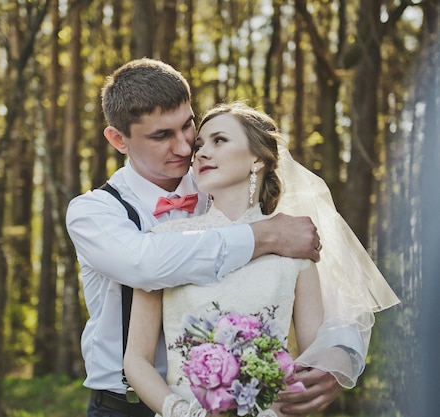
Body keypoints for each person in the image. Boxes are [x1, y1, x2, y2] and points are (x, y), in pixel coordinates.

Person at [66, 58, 334, 417]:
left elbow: (331, 289)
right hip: (125, 406)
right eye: (161, 136)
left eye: (187, 126)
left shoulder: (222, 178)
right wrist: (260, 236)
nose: (184, 148)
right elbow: (146, 263)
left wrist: (338, 358)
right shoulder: (94, 212)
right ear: (119, 139)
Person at [123, 102, 399, 417]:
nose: (200, 153)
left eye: (219, 140)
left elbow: (313, 361)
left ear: (257, 158)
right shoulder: (164, 241)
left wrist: (333, 363)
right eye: (199, 145)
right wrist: (183, 412)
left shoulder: (296, 250)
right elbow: (136, 359)